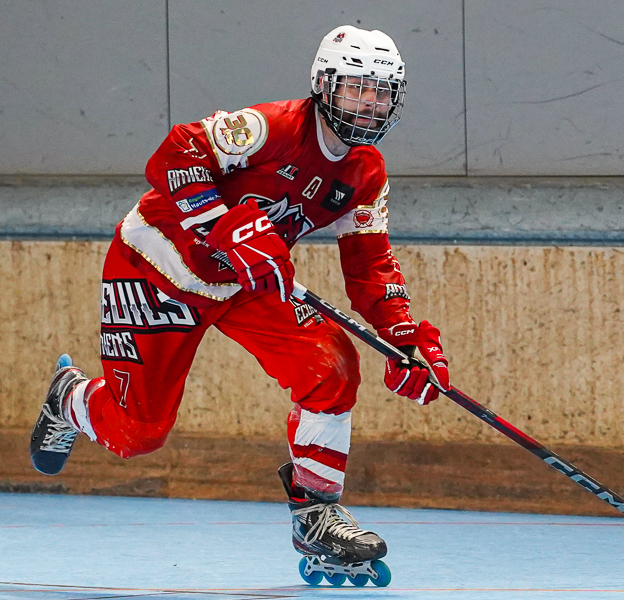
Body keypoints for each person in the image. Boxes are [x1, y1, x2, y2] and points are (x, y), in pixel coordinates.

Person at [29, 25, 449, 575]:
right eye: (355, 88)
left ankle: (316, 514)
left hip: (244, 284)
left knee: (333, 365)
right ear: (324, 86)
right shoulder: (270, 127)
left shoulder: (366, 173)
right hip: (160, 265)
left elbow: (370, 265)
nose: (368, 103)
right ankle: (70, 397)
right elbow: (174, 154)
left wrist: (402, 338)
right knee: (137, 433)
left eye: (380, 91)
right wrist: (222, 224)